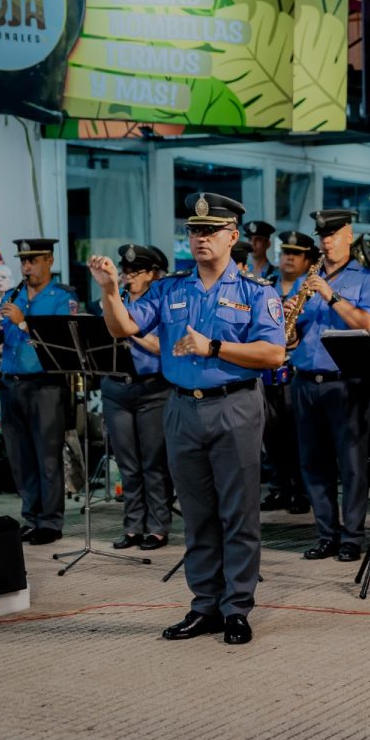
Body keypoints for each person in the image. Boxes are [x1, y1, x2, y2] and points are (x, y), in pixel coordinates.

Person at [89, 192, 285, 645]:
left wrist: (214, 347)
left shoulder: (257, 291)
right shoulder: (170, 288)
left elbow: (274, 353)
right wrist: (110, 291)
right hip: (181, 407)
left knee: (238, 513)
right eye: (194, 231)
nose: (200, 238)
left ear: (233, 236)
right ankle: (204, 606)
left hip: (234, 405)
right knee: (197, 515)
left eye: (210, 230)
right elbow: (124, 328)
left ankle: (236, 608)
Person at [288, 209, 370, 562]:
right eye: (322, 235)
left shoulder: (366, 280)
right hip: (304, 380)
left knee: (352, 465)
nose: (326, 241)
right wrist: (289, 319)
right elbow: (296, 335)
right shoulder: (306, 279)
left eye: (333, 234)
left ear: (349, 234)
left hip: (345, 382)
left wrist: (330, 296)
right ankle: (326, 533)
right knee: (313, 465)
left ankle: (352, 537)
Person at [0, 238, 75, 545]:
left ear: (49, 261)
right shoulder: (14, 295)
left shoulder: (62, 298)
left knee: (47, 456)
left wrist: (24, 324)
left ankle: (51, 520)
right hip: (12, 382)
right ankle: (32, 516)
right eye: (23, 261)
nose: (26, 267)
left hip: (45, 383)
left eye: (33, 260)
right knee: (20, 456)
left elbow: (63, 343)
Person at [103, 244, 174, 551]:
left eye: (136, 272)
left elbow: (161, 347)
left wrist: (127, 329)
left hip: (152, 388)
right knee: (127, 464)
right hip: (117, 387)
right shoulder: (112, 302)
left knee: (153, 463)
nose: (128, 277)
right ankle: (133, 525)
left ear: (153, 275)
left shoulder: (161, 303)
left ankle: (158, 527)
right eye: (126, 271)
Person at [260, 231, 316, 514]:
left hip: (295, 371)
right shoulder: (266, 287)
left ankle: (301, 490)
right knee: (272, 435)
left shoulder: (309, 290)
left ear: (307, 259)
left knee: (297, 436)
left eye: (296, 254)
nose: (289, 258)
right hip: (269, 373)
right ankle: (279, 487)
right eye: (285, 253)